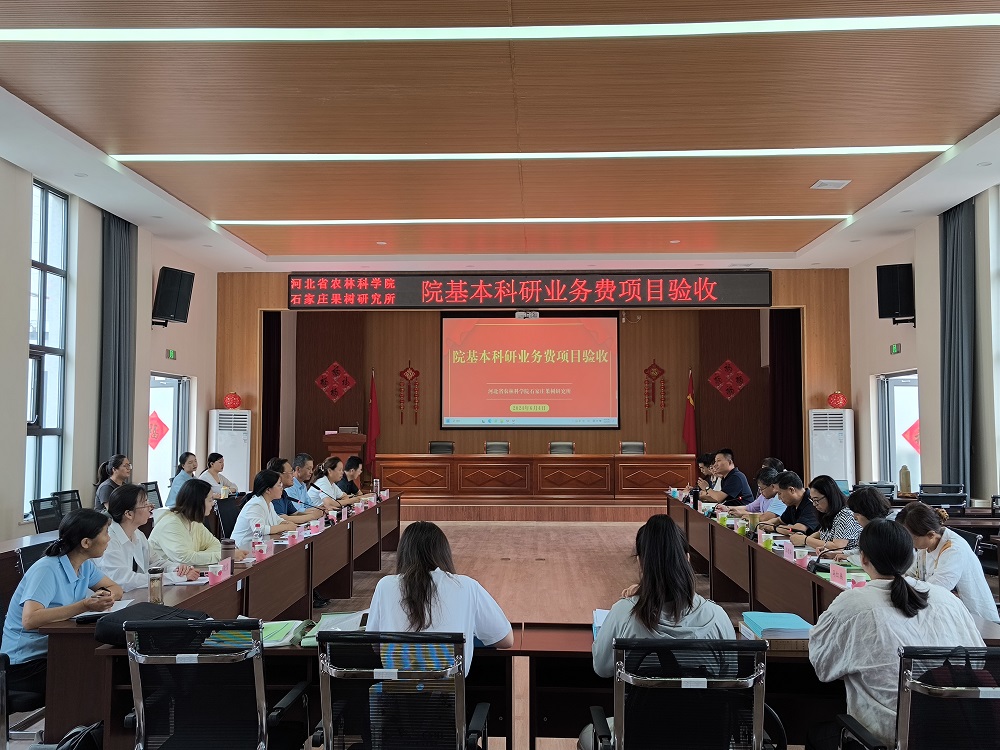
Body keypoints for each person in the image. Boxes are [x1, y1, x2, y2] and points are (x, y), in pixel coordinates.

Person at [807, 519, 985, 750]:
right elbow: (979, 662)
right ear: (912, 557)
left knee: (816, 733)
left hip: (889, 738)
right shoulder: (947, 598)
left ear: (863, 558)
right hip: (965, 730)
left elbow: (823, 666)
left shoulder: (853, 603)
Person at [579, 515, 733, 750]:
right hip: (704, 737)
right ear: (687, 559)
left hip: (640, 737)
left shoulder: (624, 613)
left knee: (591, 733)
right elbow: (729, 677)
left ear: (641, 563)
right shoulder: (717, 617)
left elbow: (601, 668)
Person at [1, 509, 123, 695]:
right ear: (86, 542)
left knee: (113, 664)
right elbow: (30, 619)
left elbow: (116, 588)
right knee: (96, 671)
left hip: (57, 649)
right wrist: (84, 605)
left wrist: (106, 596)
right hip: (24, 664)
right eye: (105, 533)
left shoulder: (85, 566)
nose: (109, 539)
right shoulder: (47, 570)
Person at [367, 521, 513, 675]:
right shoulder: (467, 586)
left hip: (398, 689)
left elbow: (374, 644)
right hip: (451, 689)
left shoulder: (385, 586)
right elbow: (506, 640)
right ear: (443, 553)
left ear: (403, 553)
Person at [896, 502, 1000, 623]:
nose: (908, 542)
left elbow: (936, 590)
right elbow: (911, 572)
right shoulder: (926, 543)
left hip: (976, 619)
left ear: (931, 535)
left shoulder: (954, 550)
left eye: (911, 538)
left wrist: (902, 582)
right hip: (947, 612)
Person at [96, 484, 201, 591]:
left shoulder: (138, 534)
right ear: (128, 514)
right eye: (145, 504)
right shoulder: (109, 540)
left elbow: (156, 563)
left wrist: (178, 569)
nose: (150, 507)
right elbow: (126, 581)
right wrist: (177, 577)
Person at [150, 479, 246, 566]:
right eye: (210, 500)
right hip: (161, 576)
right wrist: (225, 556)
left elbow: (215, 545)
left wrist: (197, 556)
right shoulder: (171, 524)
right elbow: (185, 559)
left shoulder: (193, 521)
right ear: (197, 502)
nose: (213, 503)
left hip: (184, 574)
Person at [231, 470, 299, 551]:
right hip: (241, 548)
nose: (281, 488)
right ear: (268, 490)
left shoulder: (269, 503)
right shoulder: (256, 505)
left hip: (258, 546)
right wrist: (286, 527)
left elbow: (278, 520)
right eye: (279, 485)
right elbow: (260, 530)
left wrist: (290, 524)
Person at [797, 475, 862, 554]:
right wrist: (803, 538)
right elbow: (822, 532)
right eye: (812, 500)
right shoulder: (829, 513)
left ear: (829, 496)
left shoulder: (845, 515)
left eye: (816, 500)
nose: (814, 504)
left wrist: (806, 540)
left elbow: (837, 547)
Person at [830, 487, 894, 565]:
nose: (854, 517)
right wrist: (841, 553)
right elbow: (864, 551)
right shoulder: (872, 528)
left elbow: (874, 559)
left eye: (857, 513)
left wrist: (849, 558)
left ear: (867, 511)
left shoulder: (886, 531)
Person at [758, 471, 820, 535]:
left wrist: (774, 528)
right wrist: (764, 524)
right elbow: (779, 520)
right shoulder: (793, 503)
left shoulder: (811, 502)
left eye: (779, 493)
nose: (779, 498)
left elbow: (797, 530)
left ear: (791, 490)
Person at [719, 467, 785, 517]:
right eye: (759, 488)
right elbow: (750, 507)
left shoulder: (780, 497)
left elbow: (768, 517)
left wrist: (743, 514)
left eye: (762, 488)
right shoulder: (763, 496)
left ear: (772, 486)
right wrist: (728, 508)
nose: (760, 492)